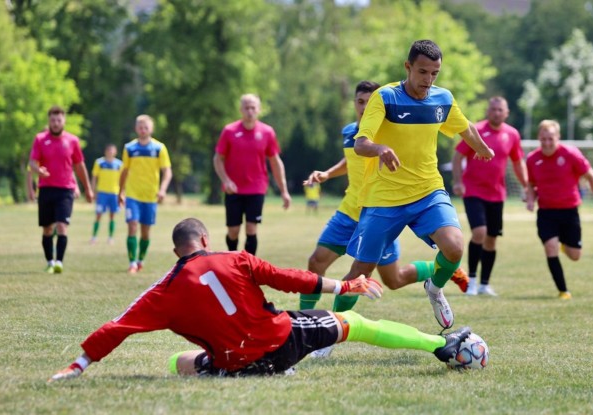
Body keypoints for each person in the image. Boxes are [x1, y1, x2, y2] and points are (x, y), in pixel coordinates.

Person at [48, 218, 473, 381]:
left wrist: (79, 363)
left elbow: (119, 326)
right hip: (281, 341)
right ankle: (441, 345)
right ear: (205, 240)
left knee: (178, 361)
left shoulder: (163, 290)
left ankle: (227, 368)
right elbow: (289, 279)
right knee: (357, 326)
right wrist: (344, 287)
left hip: (234, 363)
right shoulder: (234, 257)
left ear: (177, 250)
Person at [300, 81, 469, 354]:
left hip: (381, 211)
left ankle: (440, 271)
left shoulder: (391, 129)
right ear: (354, 103)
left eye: (370, 102)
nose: (364, 107)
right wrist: (328, 174)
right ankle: (307, 324)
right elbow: (351, 160)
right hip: (349, 213)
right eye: (360, 102)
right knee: (316, 262)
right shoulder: (350, 132)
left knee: (394, 280)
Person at [340, 40, 494, 331]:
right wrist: (380, 149)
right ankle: (330, 331)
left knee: (454, 247)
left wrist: (481, 146)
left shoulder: (442, 98)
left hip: (427, 191)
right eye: (422, 72)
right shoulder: (385, 97)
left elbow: (464, 126)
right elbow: (361, 144)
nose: (428, 79)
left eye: (435, 73)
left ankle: (434, 288)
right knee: (361, 272)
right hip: (385, 197)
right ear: (408, 67)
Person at [452, 97, 528, 296]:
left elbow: (518, 162)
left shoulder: (512, 134)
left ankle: (484, 284)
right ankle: (471, 282)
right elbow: (458, 156)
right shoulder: (475, 130)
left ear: (507, 113)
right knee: (480, 233)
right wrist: (458, 181)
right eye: (493, 109)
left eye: (500, 110)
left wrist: (526, 186)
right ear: (488, 111)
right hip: (473, 191)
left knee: (491, 239)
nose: (496, 113)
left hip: (497, 195)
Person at [526, 120, 593, 299]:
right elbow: (530, 184)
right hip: (546, 212)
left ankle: (565, 245)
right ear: (539, 138)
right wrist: (530, 199)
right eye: (543, 139)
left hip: (569, 211)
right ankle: (563, 290)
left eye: (551, 139)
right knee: (550, 247)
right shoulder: (532, 158)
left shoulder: (570, 154)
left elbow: (592, 177)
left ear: (558, 137)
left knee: (575, 255)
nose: (547, 143)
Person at [213, 94, 291, 256]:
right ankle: (232, 262)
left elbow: (275, 162)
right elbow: (218, 159)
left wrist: (284, 191)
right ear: (241, 110)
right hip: (233, 189)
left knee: (251, 228)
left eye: (253, 108)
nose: (250, 111)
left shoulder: (267, 132)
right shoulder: (229, 131)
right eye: (246, 108)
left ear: (259, 110)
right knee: (233, 231)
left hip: (256, 187)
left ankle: (249, 266)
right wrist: (226, 180)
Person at [28, 106, 94, 274]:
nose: (56, 123)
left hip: (65, 190)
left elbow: (79, 166)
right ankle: (50, 261)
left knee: (62, 225)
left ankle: (59, 262)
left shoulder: (72, 141)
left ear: (64, 121)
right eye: (53, 120)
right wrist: (38, 170)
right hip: (46, 189)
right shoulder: (40, 139)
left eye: (58, 120)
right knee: (47, 229)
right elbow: (32, 162)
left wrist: (87, 188)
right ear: (49, 121)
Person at [119, 115, 173, 273]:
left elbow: (167, 171)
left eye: (146, 127)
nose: (143, 130)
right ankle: (132, 263)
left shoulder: (159, 148)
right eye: (140, 127)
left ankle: (140, 259)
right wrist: (120, 191)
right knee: (132, 225)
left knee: (145, 232)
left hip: (150, 196)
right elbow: (124, 171)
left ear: (151, 129)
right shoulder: (129, 148)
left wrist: (162, 189)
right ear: (136, 129)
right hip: (132, 195)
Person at [90, 144, 123, 244]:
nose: (110, 152)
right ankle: (94, 236)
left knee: (112, 216)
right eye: (109, 150)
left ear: (115, 152)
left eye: (112, 150)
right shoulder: (99, 163)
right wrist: (93, 190)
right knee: (98, 215)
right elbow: (94, 177)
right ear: (105, 151)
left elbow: (122, 180)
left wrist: (122, 193)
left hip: (114, 193)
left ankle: (110, 237)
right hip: (102, 193)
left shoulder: (119, 164)